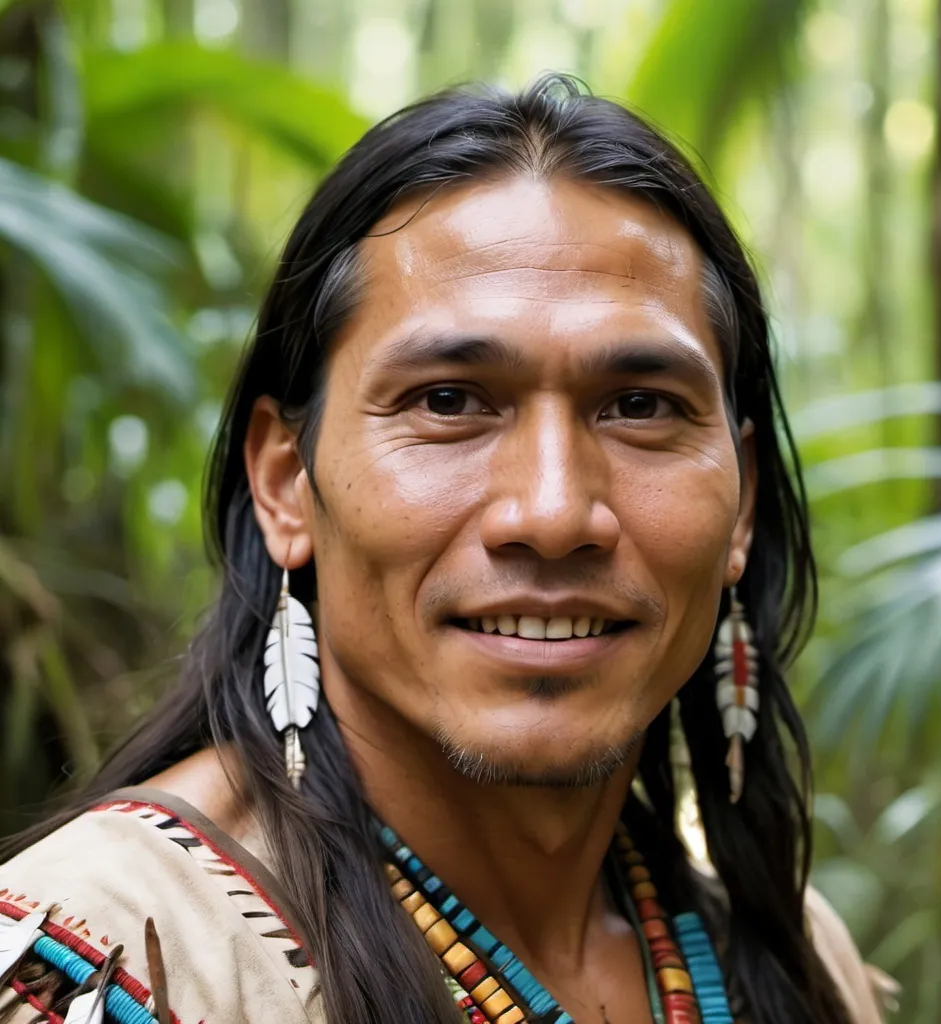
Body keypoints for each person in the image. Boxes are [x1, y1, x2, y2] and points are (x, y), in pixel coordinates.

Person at [0, 76, 891, 1024]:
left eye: (640, 407)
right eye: (448, 401)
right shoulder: (103, 960)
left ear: (742, 503)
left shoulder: (796, 958)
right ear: (285, 482)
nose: (552, 514)